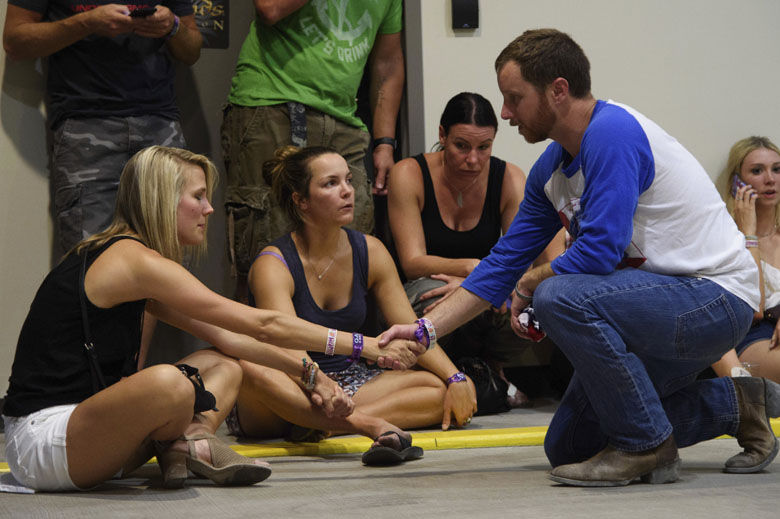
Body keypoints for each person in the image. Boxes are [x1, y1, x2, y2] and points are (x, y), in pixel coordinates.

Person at [380, 28, 780, 487]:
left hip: (714, 300)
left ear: (558, 90)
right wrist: (423, 331)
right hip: (655, 308)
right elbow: (501, 264)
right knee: (569, 445)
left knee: (558, 294)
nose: (506, 113)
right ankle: (737, 406)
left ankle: (646, 444)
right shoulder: (550, 168)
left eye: (514, 98)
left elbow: (599, 250)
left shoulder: (612, 132)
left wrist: (530, 283)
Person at [1, 146, 424, 492]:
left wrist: (314, 376)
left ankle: (187, 443)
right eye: (198, 197)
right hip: (44, 444)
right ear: (164, 201)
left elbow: (234, 339)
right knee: (170, 382)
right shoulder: (133, 260)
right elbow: (262, 325)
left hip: (90, 436)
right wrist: (363, 344)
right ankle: (187, 444)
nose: (208, 209)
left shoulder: (142, 264)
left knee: (224, 363)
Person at [231, 146, 478, 464]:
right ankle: (343, 421)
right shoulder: (273, 263)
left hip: (349, 384)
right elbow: (288, 348)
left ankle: (327, 427)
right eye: (330, 183)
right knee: (253, 369)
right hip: (291, 385)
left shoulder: (370, 250)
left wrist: (455, 378)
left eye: (348, 180)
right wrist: (322, 388)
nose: (347, 191)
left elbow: (412, 331)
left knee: (438, 387)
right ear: (301, 200)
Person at [387, 92, 565, 407]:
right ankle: (439, 371)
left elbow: (525, 257)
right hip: (428, 287)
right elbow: (413, 262)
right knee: (432, 292)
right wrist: (472, 271)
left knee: (532, 298)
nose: (473, 160)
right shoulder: (409, 173)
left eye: (484, 148)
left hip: (484, 287)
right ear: (442, 136)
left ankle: (492, 369)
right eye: (461, 146)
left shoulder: (509, 177)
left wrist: (484, 283)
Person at [221, 0, 405, 299]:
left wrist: (385, 142)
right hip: (274, 103)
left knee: (352, 247)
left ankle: (334, 344)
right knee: (265, 251)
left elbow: (388, 64)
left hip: (344, 118)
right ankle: (261, 344)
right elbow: (269, 8)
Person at [3, 0, 202, 254]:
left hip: (160, 124)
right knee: (90, 262)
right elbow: (14, 41)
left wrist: (172, 25)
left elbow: (192, 49)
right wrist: (88, 22)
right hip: (85, 127)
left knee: (171, 260)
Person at [711, 137, 780, 382]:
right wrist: (749, 236)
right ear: (736, 183)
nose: (770, 179)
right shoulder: (725, 238)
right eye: (757, 171)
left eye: (777, 169)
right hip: (756, 336)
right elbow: (756, 309)